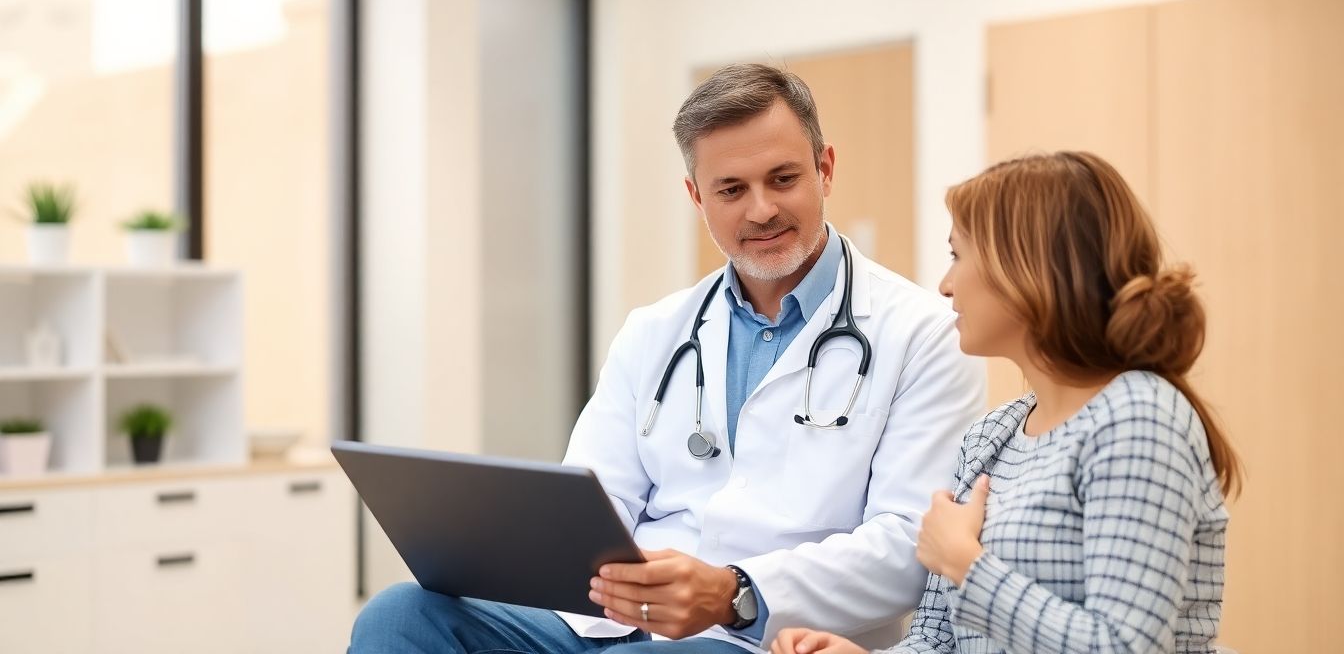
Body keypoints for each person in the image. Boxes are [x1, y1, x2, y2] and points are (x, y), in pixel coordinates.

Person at [349, 63, 983, 653]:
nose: (761, 210)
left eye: (783, 179)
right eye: (731, 189)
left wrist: (734, 590)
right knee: (402, 615)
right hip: (616, 621)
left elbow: (907, 546)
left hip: (760, 634)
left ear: (826, 169)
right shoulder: (655, 331)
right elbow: (596, 500)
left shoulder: (923, 334)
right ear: (695, 195)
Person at [771, 151, 1241, 654]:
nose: (945, 284)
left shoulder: (1139, 419)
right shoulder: (991, 436)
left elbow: (1124, 646)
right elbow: (937, 639)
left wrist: (966, 565)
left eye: (957, 255)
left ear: (1028, 268)